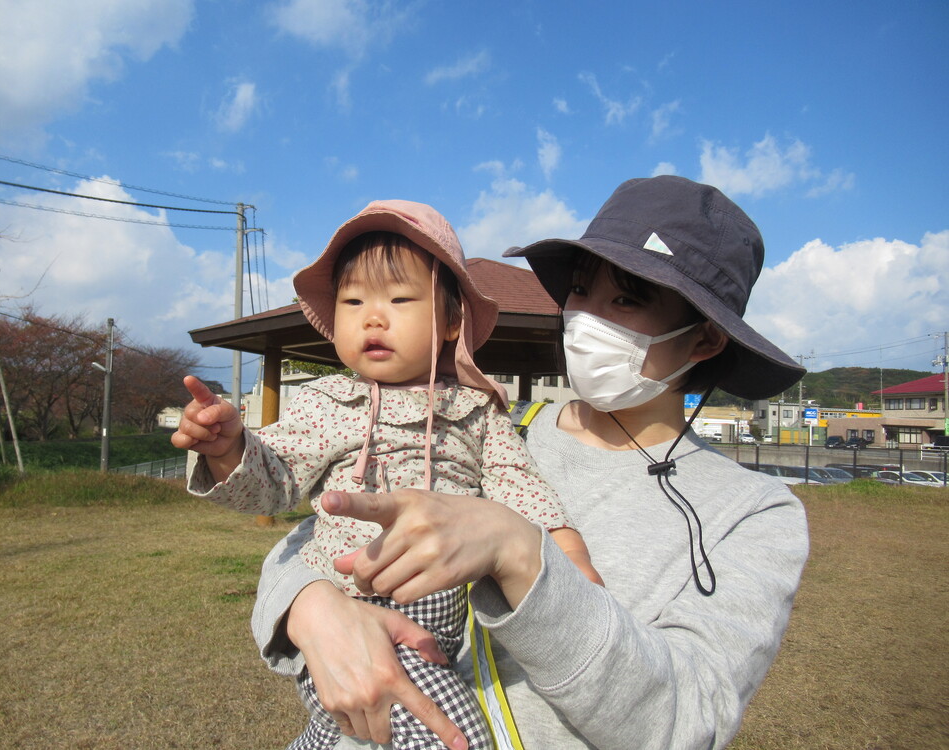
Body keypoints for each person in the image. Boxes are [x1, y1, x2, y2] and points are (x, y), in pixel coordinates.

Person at [249, 176, 811, 750]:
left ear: (705, 341)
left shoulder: (756, 515)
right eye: (580, 290)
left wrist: (520, 551)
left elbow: (689, 721)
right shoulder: (482, 424)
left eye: (625, 299)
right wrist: (310, 607)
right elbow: (317, 538)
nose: (586, 318)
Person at [172, 199, 598, 750]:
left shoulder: (475, 411)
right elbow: (275, 475)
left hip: (445, 623)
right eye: (352, 301)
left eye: (399, 299)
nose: (373, 317)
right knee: (452, 733)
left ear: (450, 322)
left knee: (345, 732)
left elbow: (522, 489)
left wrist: (575, 564)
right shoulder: (329, 403)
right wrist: (229, 449)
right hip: (349, 608)